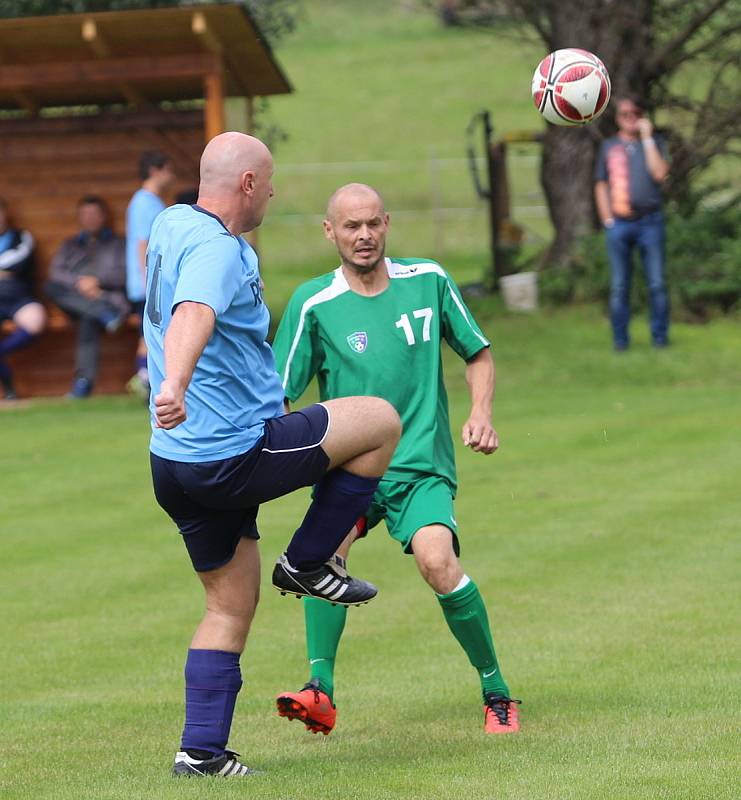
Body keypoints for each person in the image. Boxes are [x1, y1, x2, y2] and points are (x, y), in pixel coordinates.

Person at [144, 133, 401, 778]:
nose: (275, 193)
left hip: (173, 463)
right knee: (378, 421)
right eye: (271, 181)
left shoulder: (174, 221)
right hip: (234, 452)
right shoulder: (219, 248)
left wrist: (174, 391)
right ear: (250, 185)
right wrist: (173, 382)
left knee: (228, 605)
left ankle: (200, 754)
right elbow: (193, 311)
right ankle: (311, 562)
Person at [272, 183, 520, 736]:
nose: (363, 236)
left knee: (437, 562)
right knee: (320, 561)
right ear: (329, 231)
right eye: (350, 227)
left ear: (386, 223)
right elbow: (277, 398)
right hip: (349, 470)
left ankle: (496, 690)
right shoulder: (314, 304)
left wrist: (482, 412)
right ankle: (320, 692)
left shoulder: (429, 280)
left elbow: (477, 352)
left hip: (418, 466)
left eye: (372, 224)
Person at [594, 94, 671, 351]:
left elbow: (659, 173)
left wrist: (647, 137)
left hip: (650, 222)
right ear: (617, 118)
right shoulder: (609, 147)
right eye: (625, 114)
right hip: (620, 224)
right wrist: (607, 219)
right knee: (619, 285)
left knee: (657, 283)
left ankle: (660, 339)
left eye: (635, 114)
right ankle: (620, 341)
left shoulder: (655, 143)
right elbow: (601, 184)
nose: (630, 119)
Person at [45, 196, 128, 398]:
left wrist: (96, 283)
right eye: (85, 215)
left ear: (104, 216)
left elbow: (125, 273)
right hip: (80, 301)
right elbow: (56, 272)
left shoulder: (118, 243)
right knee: (51, 287)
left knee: (87, 319)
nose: (90, 219)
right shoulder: (70, 245)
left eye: (94, 214)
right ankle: (102, 314)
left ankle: (83, 384)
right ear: (80, 218)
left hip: (107, 297)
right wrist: (79, 283)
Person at [125, 151, 176, 398]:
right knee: (149, 335)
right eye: (168, 169)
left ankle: (145, 381)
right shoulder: (144, 202)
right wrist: (149, 281)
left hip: (150, 282)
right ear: (155, 171)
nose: (172, 175)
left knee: (147, 335)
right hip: (147, 283)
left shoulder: (151, 200)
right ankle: (144, 381)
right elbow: (142, 244)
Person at [0, 198, 46, 399]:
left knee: (36, 321)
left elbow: (19, 261)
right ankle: (9, 389)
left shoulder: (20, 237)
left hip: (18, 297)